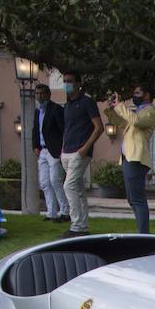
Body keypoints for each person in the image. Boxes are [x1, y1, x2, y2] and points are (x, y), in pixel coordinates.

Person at [104, 83, 155, 234]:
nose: (134, 96)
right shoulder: (137, 112)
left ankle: (143, 234)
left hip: (137, 159)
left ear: (146, 95)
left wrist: (121, 106)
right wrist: (113, 108)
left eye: (137, 93)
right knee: (132, 199)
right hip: (128, 158)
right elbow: (122, 122)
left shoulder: (150, 111)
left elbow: (136, 121)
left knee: (138, 199)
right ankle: (142, 232)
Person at [59, 71, 103, 237]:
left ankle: (76, 226)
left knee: (68, 186)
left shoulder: (87, 102)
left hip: (80, 152)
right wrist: (63, 148)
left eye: (69, 81)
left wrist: (85, 148)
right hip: (67, 152)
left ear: (78, 83)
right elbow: (67, 128)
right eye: (64, 81)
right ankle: (82, 226)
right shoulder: (68, 106)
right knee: (77, 189)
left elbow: (99, 127)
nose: (66, 84)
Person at [32, 83, 68, 222]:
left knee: (55, 180)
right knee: (45, 182)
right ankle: (51, 212)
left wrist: (62, 149)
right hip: (42, 151)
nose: (39, 96)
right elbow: (35, 129)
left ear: (48, 94)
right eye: (37, 93)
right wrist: (35, 145)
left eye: (42, 93)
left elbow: (63, 129)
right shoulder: (37, 111)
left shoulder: (56, 109)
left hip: (54, 151)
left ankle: (65, 211)